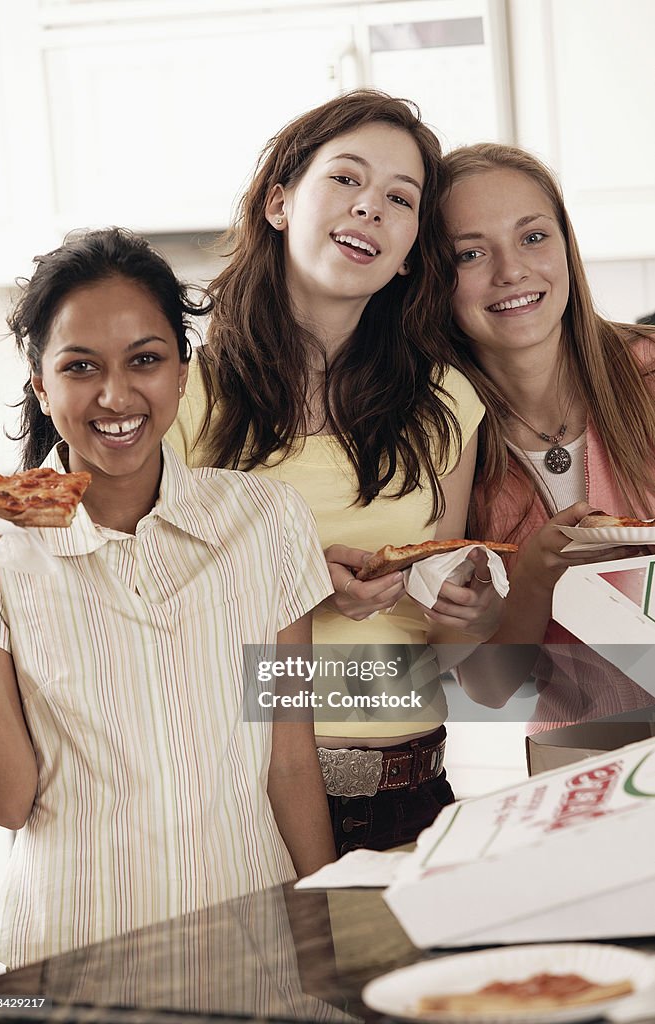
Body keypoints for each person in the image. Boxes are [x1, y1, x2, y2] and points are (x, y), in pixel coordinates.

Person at [0, 227, 336, 970]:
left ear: (180, 370)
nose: (115, 396)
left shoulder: (267, 521)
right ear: (42, 385)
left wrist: (327, 945)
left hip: (253, 950)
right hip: (64, 957)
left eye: (145, 359)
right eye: (80, 367)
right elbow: (8, 803)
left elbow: (290, 763)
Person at [167, 90, 503, 856]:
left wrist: (473, 620)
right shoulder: (183, 392)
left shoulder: (447, 401)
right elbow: (141, 609)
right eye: (346, 179)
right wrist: (300, 581)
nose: (369, 209)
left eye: (398, 198)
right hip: (243, 797)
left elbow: (443, 641)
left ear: (414, 247)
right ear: (280, 201)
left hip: (411, 792)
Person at [440, 143, 655, 727]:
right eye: (470, 254)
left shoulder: (649, 375)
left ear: (566, 246)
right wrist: (535, 576)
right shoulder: (445, 442)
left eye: (533, 237)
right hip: (581, 768)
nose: (511, 271)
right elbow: (488, 689)